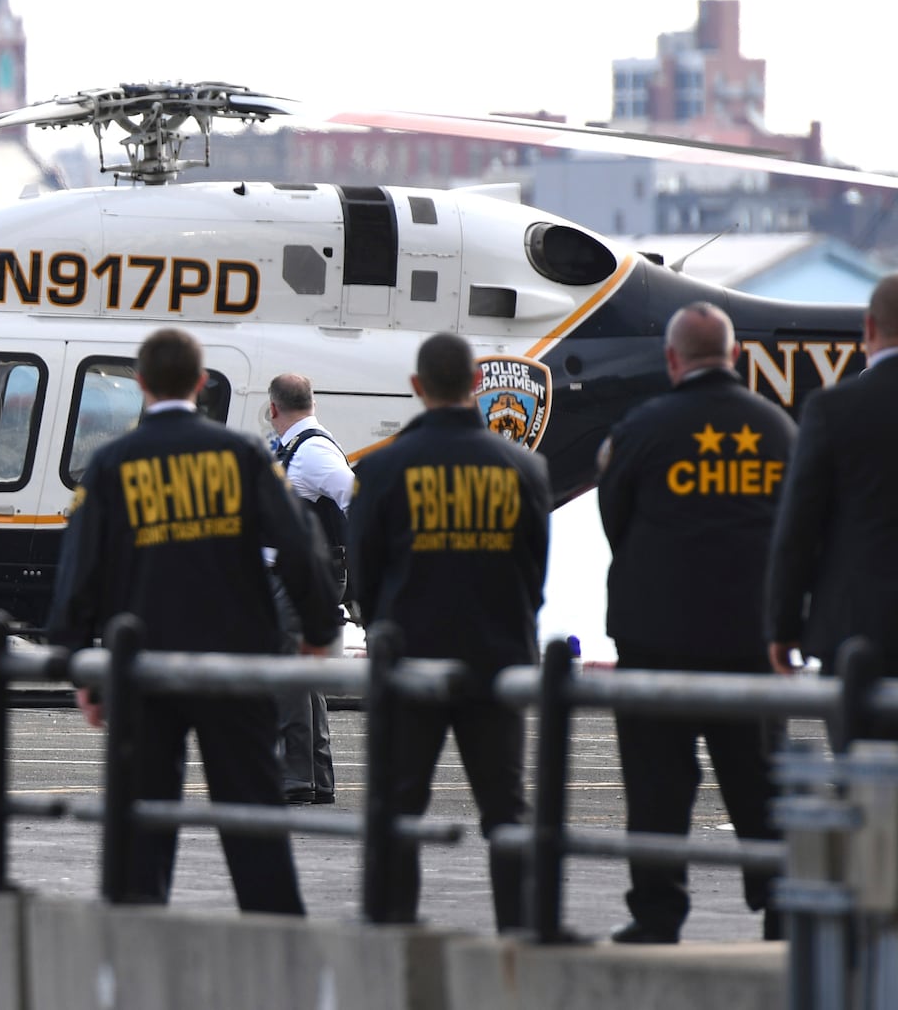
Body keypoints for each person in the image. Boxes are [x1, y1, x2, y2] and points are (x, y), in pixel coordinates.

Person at [46, 328, 340, 915]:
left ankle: (135, 940)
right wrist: (316, 632)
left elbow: (79, 573)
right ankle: (277, 940)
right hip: (234, 663)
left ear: (140, 383)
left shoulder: (110, 465)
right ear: (202, 384)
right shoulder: (245, 456)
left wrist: (83, 669)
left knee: (142, 823)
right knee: (252, 818)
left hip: (145, 667)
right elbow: (300, 544)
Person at [598, 302, 794, 944]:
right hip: (751, 637)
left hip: (657, 636)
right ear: (735, 356)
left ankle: (657, 913)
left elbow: (614, 520)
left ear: (673, 359)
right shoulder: (779, 430)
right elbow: (800, 535)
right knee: (760, 780)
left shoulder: (641, 428)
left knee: (656, 785)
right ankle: (782, 905)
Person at [346, 332, 550, 932]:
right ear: (477, 386)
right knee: (506, 809)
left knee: (398, 803)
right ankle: (521, 928)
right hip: (498, 656)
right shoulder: (525, 467)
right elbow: (532, 571)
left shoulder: (382, 467)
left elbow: (364, 572)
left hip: (409, 656)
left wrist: (384, 621)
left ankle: (391, 924)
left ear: (418, 387)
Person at [768, 273, 898, 693]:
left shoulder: (831, 409)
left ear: (870, 329)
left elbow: (799, 528)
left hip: (856, 632)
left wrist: (784, 626)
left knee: (858, 757)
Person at [267, 372, 349, 805]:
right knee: (304, 674)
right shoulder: (295, 448)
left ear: (273, 407)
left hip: (302, 577)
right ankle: (315, 776)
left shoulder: (312, 450)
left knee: (290, 675)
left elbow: (356, 496)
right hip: (296, 574)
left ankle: (296, 777)